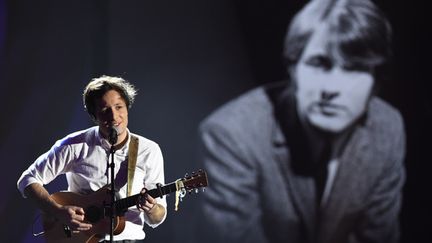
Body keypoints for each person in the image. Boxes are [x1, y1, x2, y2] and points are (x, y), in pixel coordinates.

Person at [198, 0, 405, 243]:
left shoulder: (386, 127)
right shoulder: (231, 134)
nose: (332, 88)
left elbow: (378, 237)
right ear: (293, 68)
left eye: (354, 69)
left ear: (376, 82)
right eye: (319, 64)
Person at [17, 75, 167, 242]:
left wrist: (152, 208)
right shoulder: (74, 145)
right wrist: (57, 211)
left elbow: (157, 218)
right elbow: (27, 180)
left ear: (127, 107)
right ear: (94, 115)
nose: (113, 116)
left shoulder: (148, 150)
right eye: (105, 110)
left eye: (119, 107)